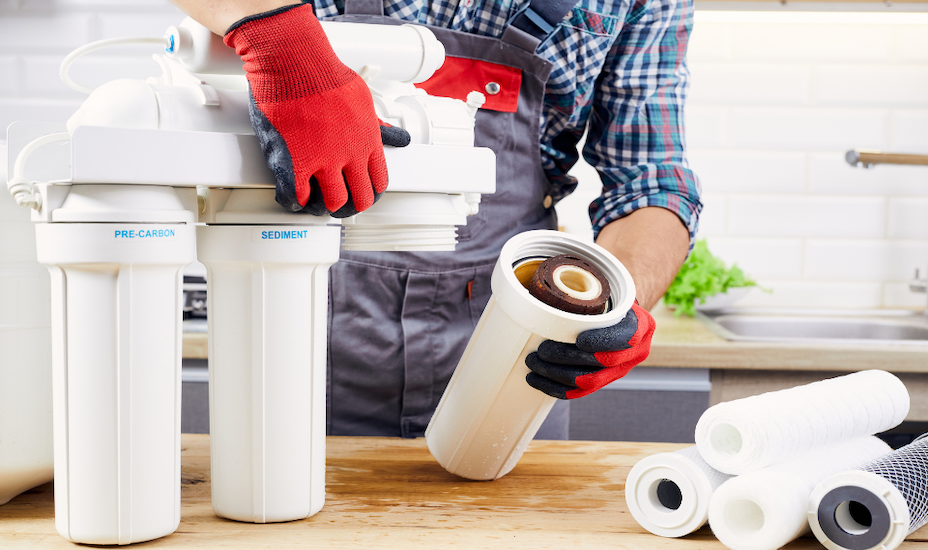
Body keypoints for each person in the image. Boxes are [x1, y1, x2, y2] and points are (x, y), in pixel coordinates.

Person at [169, 0, 702, 439]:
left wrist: (617, 303)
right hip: (289, 337)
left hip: (515, 362)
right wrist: (280, 39)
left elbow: (649, 179)